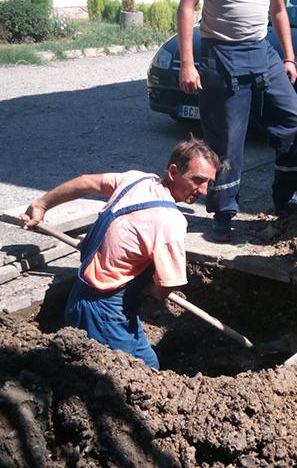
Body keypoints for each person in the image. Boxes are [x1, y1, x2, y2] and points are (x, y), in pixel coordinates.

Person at [176, 0, 297, 243]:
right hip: (221, 55)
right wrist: (187, 65)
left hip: (262, 52)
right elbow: (187, 6)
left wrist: (288, 56)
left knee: (294, 122)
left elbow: (278, 10)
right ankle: (224, 211)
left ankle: (286, 197)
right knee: (226, 143)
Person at [20, 138, 219, 368]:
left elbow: (85, 182)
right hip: (104, 312)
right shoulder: (170, 222)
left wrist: (42, 204)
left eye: (208, 183)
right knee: (140, 373)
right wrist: (147, 287)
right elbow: (163, 290)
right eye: (198, 180)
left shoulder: (135, 179)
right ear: (174, 171)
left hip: (83, 296)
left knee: (144, 364)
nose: (203, 190)